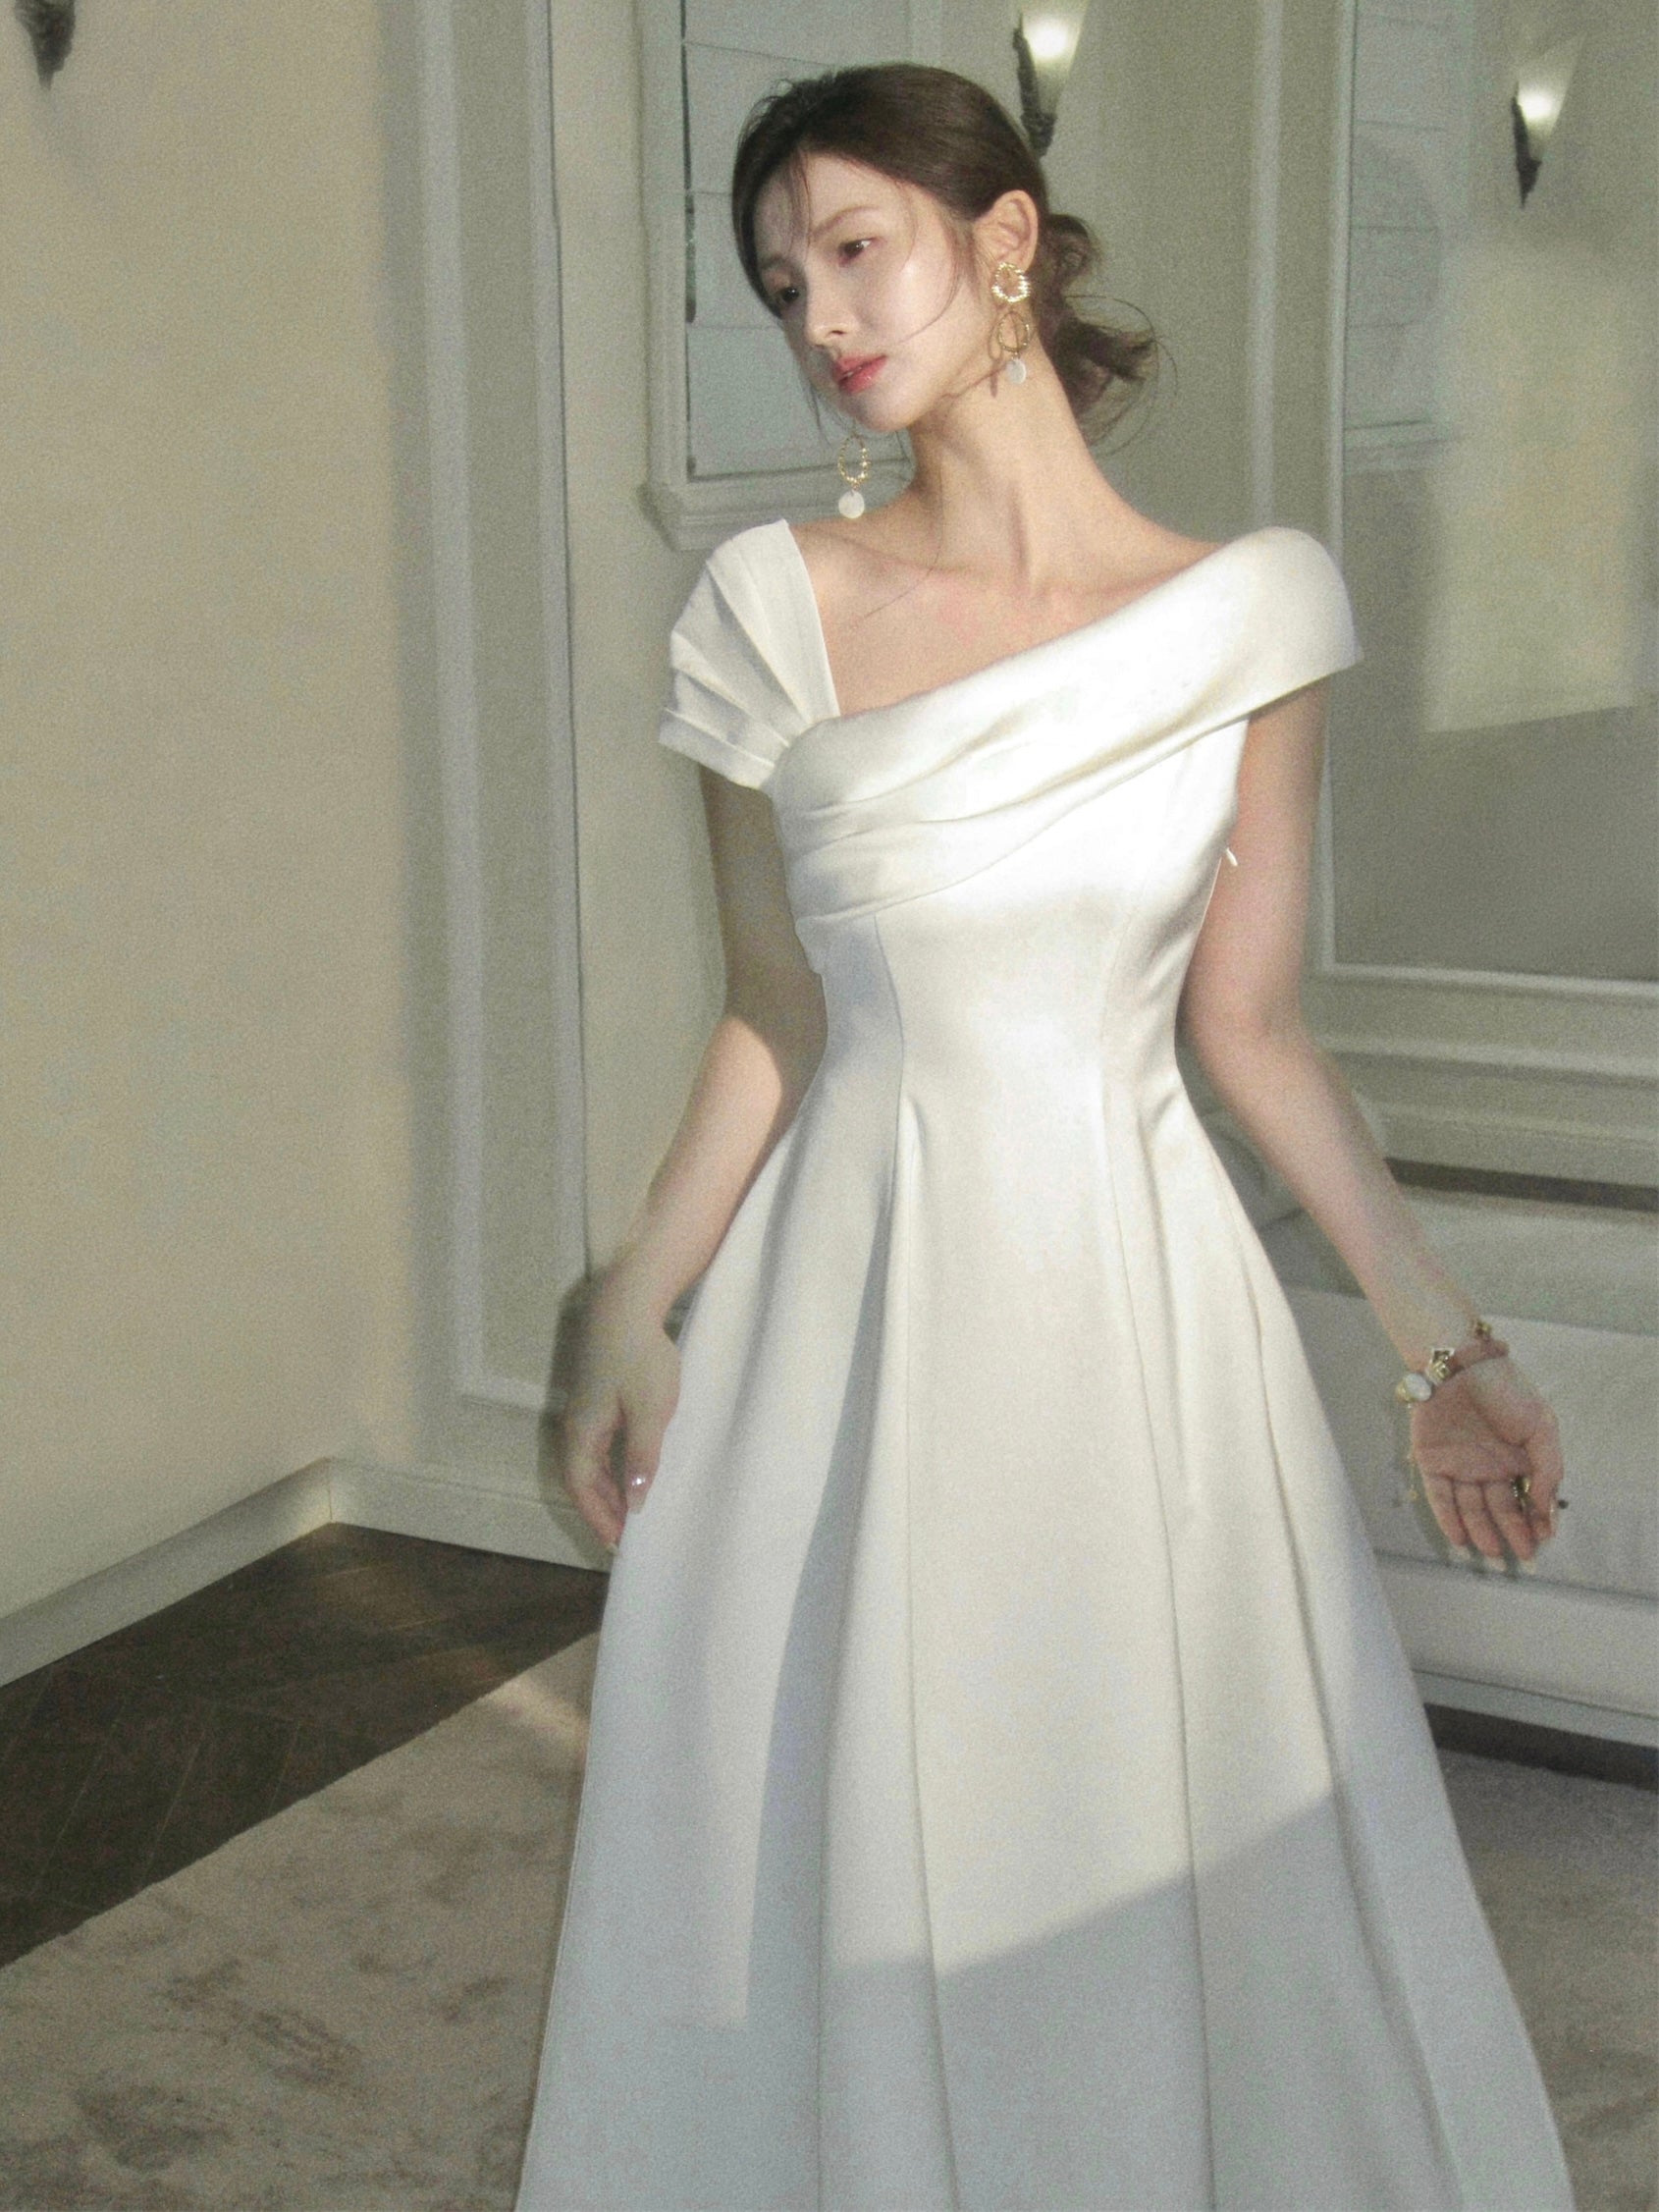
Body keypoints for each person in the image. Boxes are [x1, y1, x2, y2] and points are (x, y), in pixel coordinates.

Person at [514, 62, 1576, 2212]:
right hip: (853, 1306)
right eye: (777, 283)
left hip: (1127, 1302)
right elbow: (774, 1008)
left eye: (852, 247)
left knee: (1127, 1810)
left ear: (1002, 239)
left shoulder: (1247, 612)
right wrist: (634, 1299)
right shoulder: (768, 606)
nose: (818, 314)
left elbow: (1248, 1030)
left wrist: (1437, 1342)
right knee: (832, 1826)